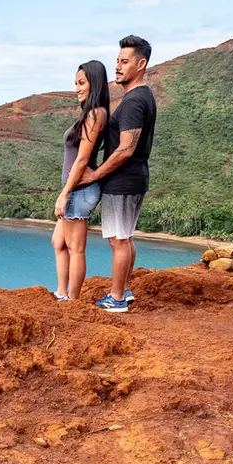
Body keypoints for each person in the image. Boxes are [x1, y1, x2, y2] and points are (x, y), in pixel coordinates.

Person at [79, 35, 157, 313]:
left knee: (118, 240)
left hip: (122, 181)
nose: (117, 67)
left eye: (124, 62)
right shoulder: (143, 96)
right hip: (135, 178)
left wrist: (95, 175)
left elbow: (125, 149)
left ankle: (117, 299)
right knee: (126, 237)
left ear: (141, 64)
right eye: (117, 61)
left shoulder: (134, 101)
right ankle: (123, 290)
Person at [51, 60, 110, 301]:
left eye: (82, 83)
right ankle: (62, 293)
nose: (77, 88)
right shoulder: (90, 114)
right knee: (58, 242)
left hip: (79, 190)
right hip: (76, 189)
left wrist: (65, 193)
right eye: (76, 83)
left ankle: (72, 301)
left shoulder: (96, 114)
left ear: (94, 83)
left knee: (76, 249)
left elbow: (82, 158)